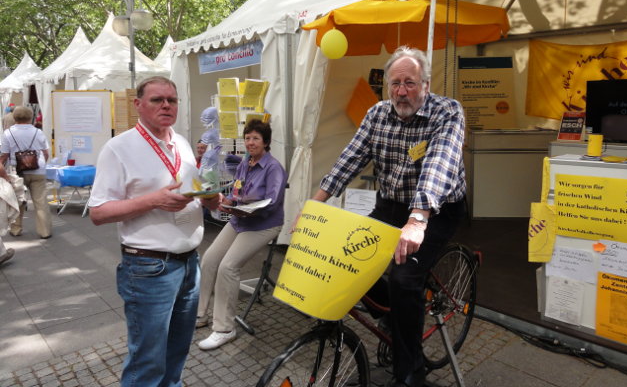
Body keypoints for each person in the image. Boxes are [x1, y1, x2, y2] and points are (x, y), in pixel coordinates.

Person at [310, 46, 467, 387]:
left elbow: (440, 165)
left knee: (403, 279)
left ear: (426, 84)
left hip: (436, 209)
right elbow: (350, 159)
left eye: (409, 83)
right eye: (395, 83)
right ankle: (393, 316)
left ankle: (412, 370)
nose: (401, 91)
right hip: (391, 204)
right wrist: (315, 205)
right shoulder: (377, 114)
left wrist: (417, 220)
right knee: (348, 258)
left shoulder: (448, 112)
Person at [88, 76, 222, 387]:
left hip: (190, 263)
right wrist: (154, 200)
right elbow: (97, 213)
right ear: (138, 105)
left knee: (176, 354)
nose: (166, 105)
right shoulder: (118, 148)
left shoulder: (183, 143)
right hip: (149, 268)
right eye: (157, 100)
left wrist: (210, 198)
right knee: (147, 362)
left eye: (172, 100)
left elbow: (192, 192)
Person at [197, 119, 286, 350]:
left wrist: (244, 205)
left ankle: (224, 328)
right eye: (247, 138)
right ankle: (200, 314)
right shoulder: (245, 162)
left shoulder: (273, 167)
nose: (250, 142)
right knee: (209, 259)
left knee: (228, 266)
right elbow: (238, 189)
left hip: (263, 223)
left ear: (265, 142)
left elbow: (273, 203)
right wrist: (229, 201)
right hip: (240, 218)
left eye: (256, 138)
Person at [0, 106, 52, 239]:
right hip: (38, 170)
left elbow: (4, 156)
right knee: (41, 202)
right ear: (30, 117)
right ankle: (44, 231)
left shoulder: (8, 133)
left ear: (14, 118)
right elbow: (46, 152)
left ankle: (16, 229)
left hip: (17, 171)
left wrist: (4, 173)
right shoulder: (38, 132)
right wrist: (40, 164)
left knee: (18, 200)